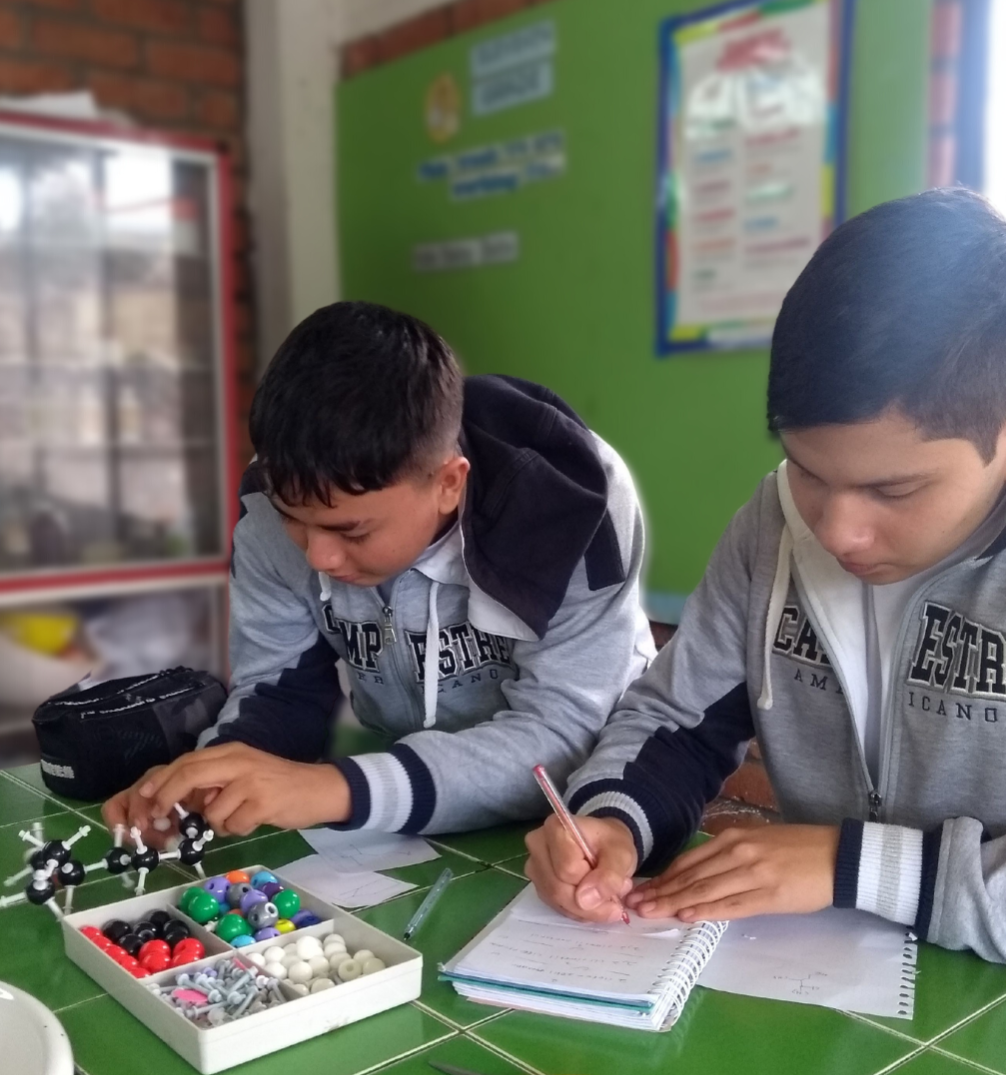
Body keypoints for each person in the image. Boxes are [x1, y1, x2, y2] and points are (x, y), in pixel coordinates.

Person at [525, 187, 1006, 977]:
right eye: (808, 469)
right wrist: (614, 819)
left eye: (893, 491)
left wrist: (852, 866)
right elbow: (678, 718)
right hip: (828, 982)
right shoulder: (774, 518)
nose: (835, 528)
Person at [103, 302, 654, 843]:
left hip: (589, 816)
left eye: (352, 532)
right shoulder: (280, 501)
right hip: (407, 796)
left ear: (448, 483)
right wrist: (211, 777)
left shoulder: (574, 506)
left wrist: (332, 789)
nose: (318, 557)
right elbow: (278, 691)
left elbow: (560, 738)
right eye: (297, 521)